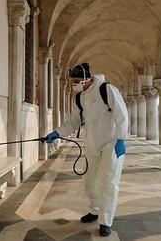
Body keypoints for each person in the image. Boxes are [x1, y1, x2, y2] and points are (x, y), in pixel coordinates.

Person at [45, 63, 128, 237]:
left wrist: (121, 139)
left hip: (111, 144)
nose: (73, 84)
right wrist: (57, 132)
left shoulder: (107, 90)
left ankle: (105, 222)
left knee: (108, 183)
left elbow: (122, 114)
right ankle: (95, 210)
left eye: (76, 81)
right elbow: (74, 121)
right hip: (92, 145)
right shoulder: (80, 97)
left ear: (85, 79)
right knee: (89, 181)